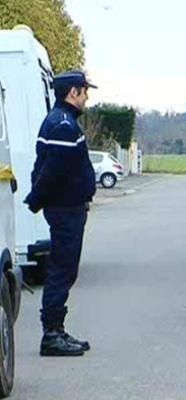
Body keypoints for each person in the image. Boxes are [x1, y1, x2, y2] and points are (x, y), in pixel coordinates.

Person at [24, 70, 97, 356]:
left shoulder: (60, 122)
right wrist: (36, 198)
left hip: (67, 207)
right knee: (62, 270)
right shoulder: (63, 126)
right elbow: (52, 171)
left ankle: (57, 329)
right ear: (72, 93)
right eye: (84, 91)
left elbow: (44, 167)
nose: (86, 96)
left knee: (65, 269)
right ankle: (51, 335)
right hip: (65, 209)